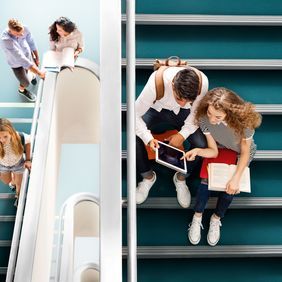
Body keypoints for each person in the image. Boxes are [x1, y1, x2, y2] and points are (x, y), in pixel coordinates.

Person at [184, 87, 262, 246]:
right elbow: (213, 151)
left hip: (242, 153)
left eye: (217, 116)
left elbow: (246, 152)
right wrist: (198, 150)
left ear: (229, 113)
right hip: (222, 147)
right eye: (210, 114)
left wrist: (236, 178)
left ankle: (216, 218)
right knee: (205, 183)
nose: (212, 119)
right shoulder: (205, 119)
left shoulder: (245, 124)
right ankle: (197, 217)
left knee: (231, 187)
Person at [136, 66, 209, 208]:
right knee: (134, 138)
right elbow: (135, 114)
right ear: (173, 85)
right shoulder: (155, 83)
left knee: (201, 144)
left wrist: (182, 135)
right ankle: (148, 177)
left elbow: (195, 115)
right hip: (156, 109)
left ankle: (181, 178)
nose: (182, 103)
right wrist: (148, 138)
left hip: (185, 114)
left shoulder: (203, 83)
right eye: (179, 98)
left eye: (188, 100)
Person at [0, 19, 45, 102]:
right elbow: (21, 59)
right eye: (18, 34)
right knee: (26, 83)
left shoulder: (25, 28)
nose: (22, 35)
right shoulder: (6, 40)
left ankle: (32, 75)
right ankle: (22, 90)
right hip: (16, 63)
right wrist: (39, 73)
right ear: (10, 31)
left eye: (22, 32)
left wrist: (37, 58)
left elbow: (31, 42)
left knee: (31, 72)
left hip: (28, 56)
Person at [0, 119, 32, 207]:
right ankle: (13, 181)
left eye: (5, 136)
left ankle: (18, 197)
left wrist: (28, 159)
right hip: (3, 165)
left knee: (19, 184)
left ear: (11, 132)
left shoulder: (19, 136)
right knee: (7, 181)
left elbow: (28, 142)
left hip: (18, 164)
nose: (2, 140)